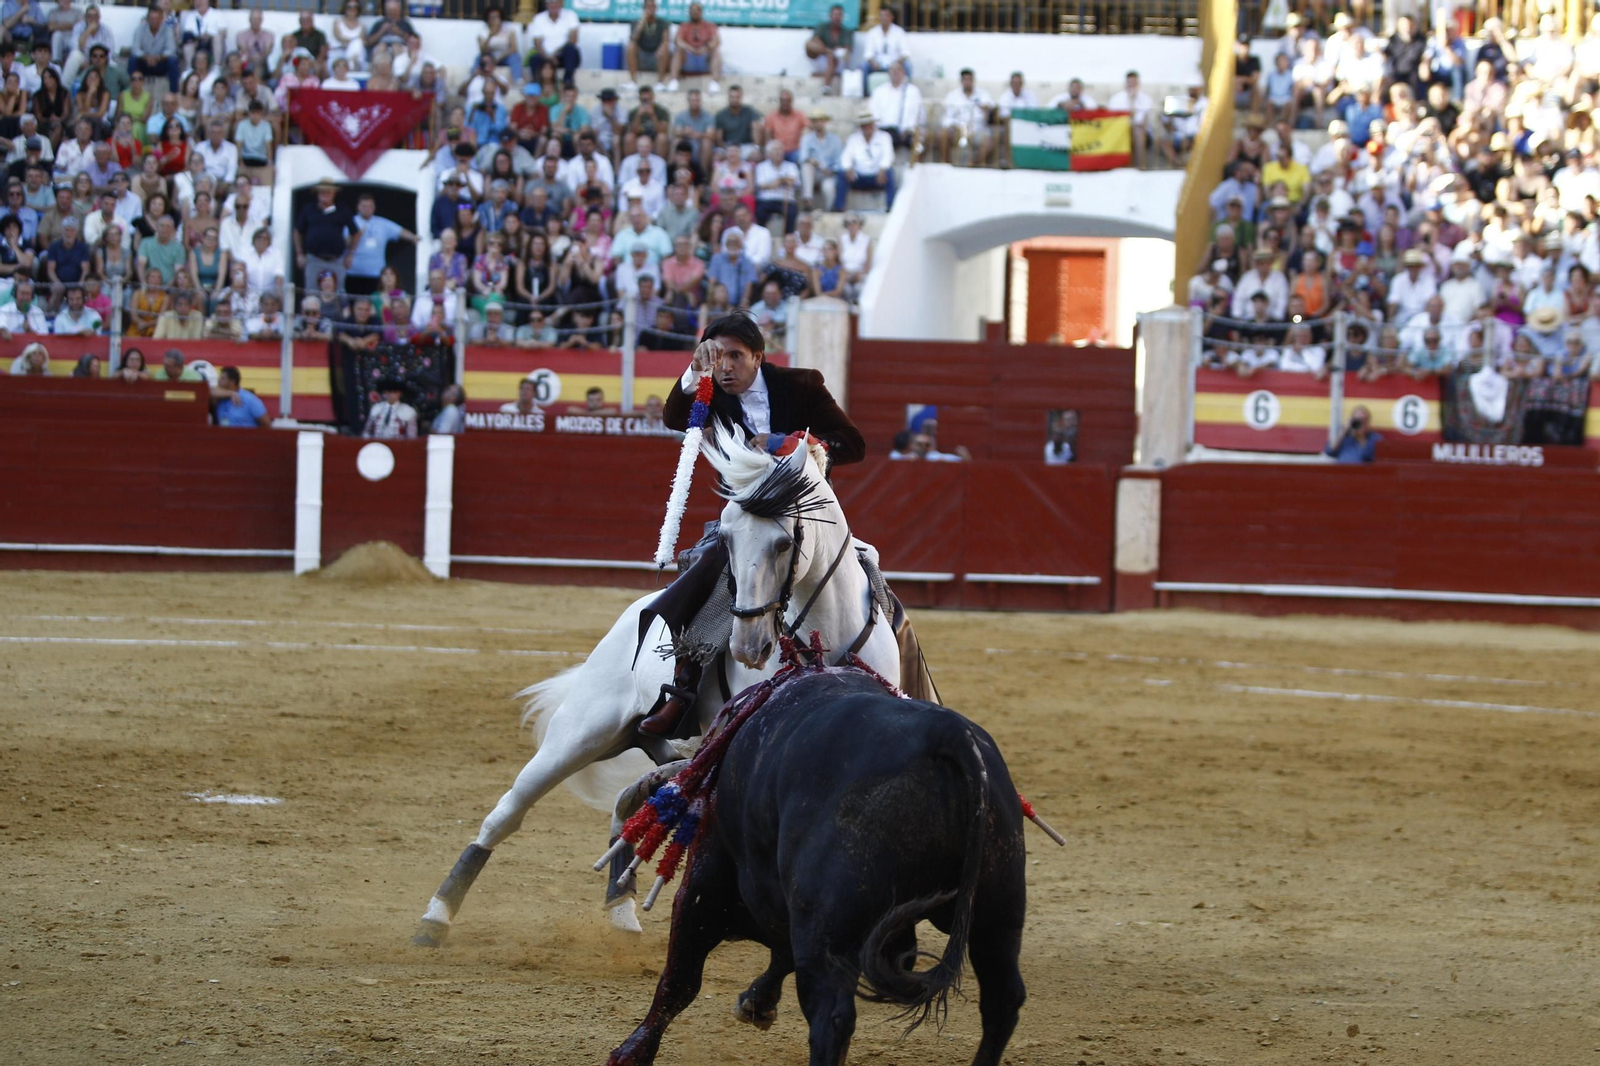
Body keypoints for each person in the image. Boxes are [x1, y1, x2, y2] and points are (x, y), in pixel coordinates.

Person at [642, 312, 866, 737]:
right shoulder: (709, 391)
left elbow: (852, 444)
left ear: (758, 356)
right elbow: (674, 418)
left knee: (871, 577)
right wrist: (694, 369)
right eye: (718, 358)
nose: (725, 367)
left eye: (736, 356)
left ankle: (906, 671)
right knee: (706, 576)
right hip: (743, 518)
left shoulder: (801, 385)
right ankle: (683, 689)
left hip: (807, 517)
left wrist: (788, 442)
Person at [347, 192, 419, 297]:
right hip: (354, 272)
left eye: (370, 206)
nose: (367, 209)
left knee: (375, 302)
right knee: (355, 302)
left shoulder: (382, 223)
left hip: (376, 273)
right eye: (364, 206)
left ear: (374, 207)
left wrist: (414, 237)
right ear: (358, 207)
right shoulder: (350, 222)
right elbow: (343, 242)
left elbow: (399, 231)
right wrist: (355, 236)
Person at [295, 178, 354, 292]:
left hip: (336, 259)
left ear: (333, 193)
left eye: (328, 191)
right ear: (317, 193)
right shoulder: (309, 209)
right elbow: (297, 231)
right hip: (314, 259)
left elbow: (356, 232)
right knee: (311, 293)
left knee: (339, 293)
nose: (325, 194)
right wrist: (299, 253)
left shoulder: (342, 210)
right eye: (322, 191)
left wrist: (350, 253)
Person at [836, 110, 895, 211]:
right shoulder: (853, 138)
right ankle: (839, 207)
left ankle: (891, 207)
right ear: (860, 127)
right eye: (864, 125)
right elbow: (846, 156)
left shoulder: (884, 137)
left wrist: (883, 169)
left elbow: (888, 155)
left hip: (878, 176)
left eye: (869, 124)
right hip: (859, 177)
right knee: (842, 173)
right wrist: (848, 168)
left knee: (889, 173)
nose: (867, 127)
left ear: (873, 124)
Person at [940, 68, 995, 166]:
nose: (967, 82)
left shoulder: (983, 94)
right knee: (943, 135)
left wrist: (985, 109)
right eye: (965, 79)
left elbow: (991, 110)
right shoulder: (952, 96)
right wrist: (955, 127)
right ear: (961, 81)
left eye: (970, 79)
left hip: (977, 130)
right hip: (958, 129)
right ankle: (947, 165)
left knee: (989, 143)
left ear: (973, 80)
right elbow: (946, 118)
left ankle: (972, 165)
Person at [669, 2, 720, 94]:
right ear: (689, 12)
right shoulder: (684, 26)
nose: (695, 12)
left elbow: (716, 41)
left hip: (704, 59)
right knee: (678, 50)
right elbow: (677, 41)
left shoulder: (709, 25)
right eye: (693, 10)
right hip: (689, 58)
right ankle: (673, 81)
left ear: (701, 12)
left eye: (697, 10)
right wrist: (690, 48)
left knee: (715, 51)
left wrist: (705, 48)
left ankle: (714, 82)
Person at [527, 0, 580, 90]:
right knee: (534, 59)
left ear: (561, 3)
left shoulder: (571, 15)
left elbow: (573, 39)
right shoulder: (538, 18)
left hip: (563, 55)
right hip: (545, 56)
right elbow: (537, 44)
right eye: (551, 2)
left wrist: (556, 54)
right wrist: (549, 57)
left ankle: (567, 82)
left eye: (556, 2)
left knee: (571, 50)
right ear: (546, 4)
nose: (554, 5)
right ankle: (537, 86)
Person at [868, 61, 921, 149]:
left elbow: (917, 114)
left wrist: (906, 130)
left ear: (904, 72)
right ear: (888, 73)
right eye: (892, 70)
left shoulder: (913, 91)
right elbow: (873, 115)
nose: (895, 72)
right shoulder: (879, 91)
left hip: (907, 132)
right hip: (885, 131)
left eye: (898, 70)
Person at [128, 5, 177, 94]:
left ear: (162, 19)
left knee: (172, 61)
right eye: (152, 19)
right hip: (145, 63)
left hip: (160, 63)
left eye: (157, 19)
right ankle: (130, 90)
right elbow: (135, 49)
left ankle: (174, 93)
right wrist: (146, 57)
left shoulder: (167, 30)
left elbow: (171, 50)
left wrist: (158, 58)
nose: (155, 21)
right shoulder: (140, 29)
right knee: (133, 59)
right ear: (147, 18)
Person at [625, 0, 671, 93]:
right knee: (631, 46)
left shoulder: (663, 22)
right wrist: (643, 21)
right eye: (648, 7)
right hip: (642, 55)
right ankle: (633, 82)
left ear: (656, 8)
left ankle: (660, 83)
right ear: (644, 9)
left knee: (665, 48)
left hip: (657, 55)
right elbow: (633, 38)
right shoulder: (636, 22)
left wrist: (662, 47)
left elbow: (666, 39)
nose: (651, 9)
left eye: (653, 6)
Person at [806, 4, 853, 93]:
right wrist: (827, 50)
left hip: (837, 59)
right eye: (835, 14)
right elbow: (815, 40)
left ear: (842, 17)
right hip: (822, 55)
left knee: (832, 57)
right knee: (809, 44)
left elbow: (848, 49)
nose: (837, 17)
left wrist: (836, 52)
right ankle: (825, 74)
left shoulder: (847, 31)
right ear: (830, 16)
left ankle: (826, 86)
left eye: (839, 15)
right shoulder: (823, 26)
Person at [860, 3, 910, 77]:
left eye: (886, 15)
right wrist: (873, 63)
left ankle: (906, 85)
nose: (884, 18)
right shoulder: (872, 32)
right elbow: (868, 53)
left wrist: (897, 63)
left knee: (908, 66)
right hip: (877, 64)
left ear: (892, 17)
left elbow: (905, 53)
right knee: (864, 66)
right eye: (881, 15)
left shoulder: (899, 32)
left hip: (894, 63)